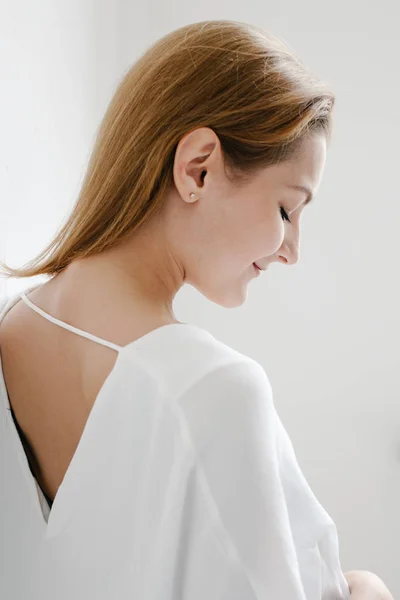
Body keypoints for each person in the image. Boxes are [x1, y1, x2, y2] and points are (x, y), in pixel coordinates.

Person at [0, 19, 393, 600]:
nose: (293, 251)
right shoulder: (213, 388)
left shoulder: (14, 325)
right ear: (198, 168)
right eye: (287, 209)